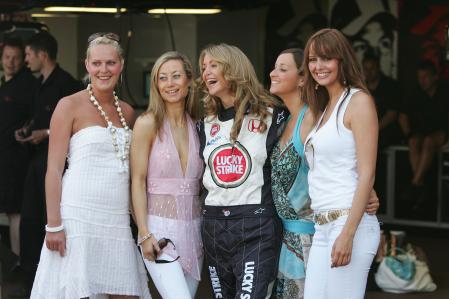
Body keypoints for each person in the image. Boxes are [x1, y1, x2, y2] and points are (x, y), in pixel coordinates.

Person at [29, 33, 150, 299]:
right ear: (86, 65)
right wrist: (53, 225)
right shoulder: (68, 105)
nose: (103, 70)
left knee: (127, 292)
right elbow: (53, 171)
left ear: (121, 64)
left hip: (116, 219)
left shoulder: (128, 112)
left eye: (110, 63)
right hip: (78, 217)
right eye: (97, 63)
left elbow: (133, 175)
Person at [269, 48, 379, 299]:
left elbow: (343, 158)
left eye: (282, 69)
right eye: (313, 60)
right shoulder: (287, 119)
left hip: (314, 230)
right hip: (298, 233)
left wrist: (367, 188)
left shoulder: (314, 117)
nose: (273, 73)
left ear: (302, 78)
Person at [197, 43, 286, 298]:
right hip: (213, 225)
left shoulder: (273, 115)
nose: (206, 73)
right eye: (204, 67)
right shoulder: (205, 123)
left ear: (233, 68)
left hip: (255, 224)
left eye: (214, 65)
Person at [301, 28, 380, 299]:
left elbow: (368, 170)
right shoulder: (323, 107)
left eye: (326, 58)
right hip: (322, 225)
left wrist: (348, 234)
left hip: (349, 224)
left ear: (341, 60)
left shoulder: (358, 101)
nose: (318, 66)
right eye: (312, 59)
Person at [14, 31, 83, 293]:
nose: (26, 59)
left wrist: (47, 133)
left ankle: (59, 278)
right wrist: (29, 128)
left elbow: (77, 126)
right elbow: (38, 116)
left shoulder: (67, 85)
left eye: (29, 54)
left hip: (56, 163)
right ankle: (32, 273)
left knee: (49, 215)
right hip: (34, 161)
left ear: (42, 55)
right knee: (31, 218)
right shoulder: (38, 84)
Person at [131, 51, 203, 299]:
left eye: (176, 76)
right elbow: (137, 181)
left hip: (195, 235)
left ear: (189, 80)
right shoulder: (147, 123)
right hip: (159, 233)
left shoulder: (198, 124)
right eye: (162, 78)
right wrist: (144, 233)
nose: (170, 84)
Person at [0, 35, 37, 257]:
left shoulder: (28, 85)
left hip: (17, 161)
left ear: (24, 59)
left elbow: (37, 117)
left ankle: (18, 262)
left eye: (15, 58)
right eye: (7, 57)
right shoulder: (6, 83)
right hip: (5, 159)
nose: (10, 62)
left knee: (16, 212)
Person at [398, 60, 449, 202]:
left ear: (435, 77)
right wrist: (407, 133)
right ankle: (419, 184)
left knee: (428, 141)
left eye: (425, 77)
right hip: (421, 133)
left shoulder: (445, 92)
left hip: (441, 134)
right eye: (419, 77)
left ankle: (415, 185)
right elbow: (402, 116)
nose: (422, 81)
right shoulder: (416, 93)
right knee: (413, 141)